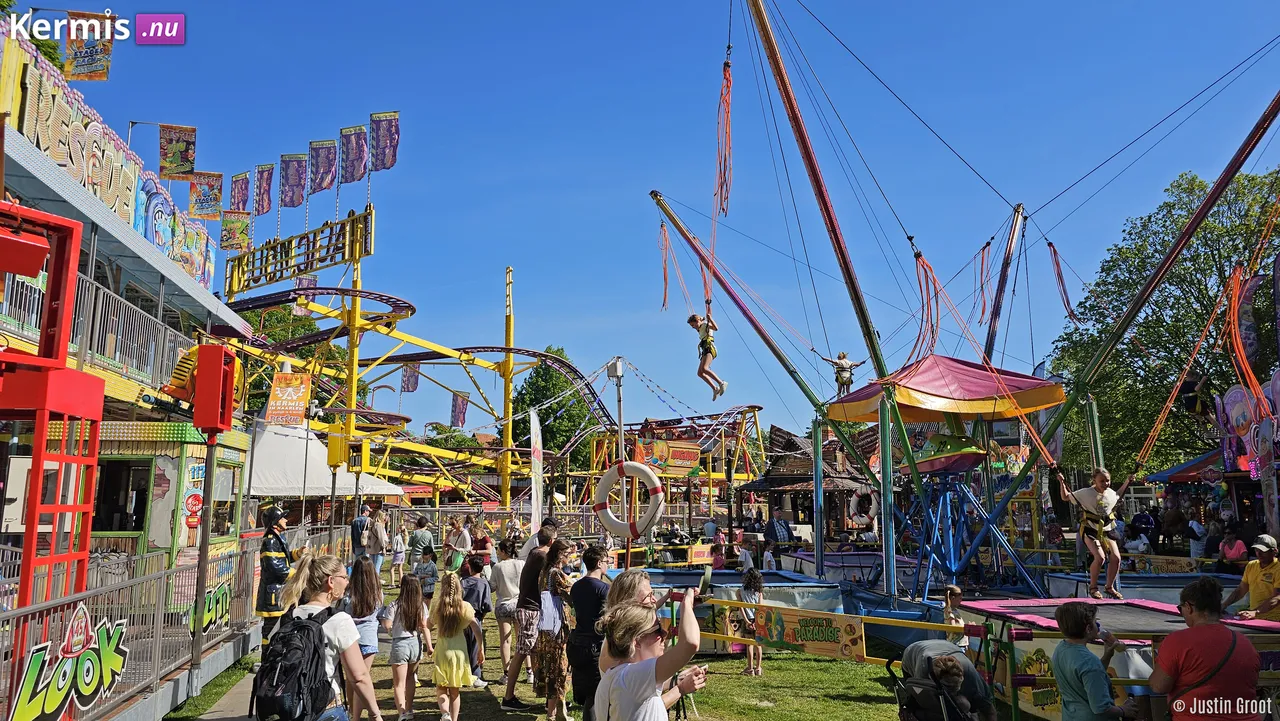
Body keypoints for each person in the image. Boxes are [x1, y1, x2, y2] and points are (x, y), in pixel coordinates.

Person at [278, 552, 384, 721]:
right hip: (325, 709)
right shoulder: (338, 620)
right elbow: (359, 677)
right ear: (331, 581)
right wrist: (374, 714)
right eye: (344, 576)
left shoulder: (290, 616)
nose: (348, 581)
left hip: (290, 707)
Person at [1150, 577, 1262, 721]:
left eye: (1180, 608)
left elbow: (1159, 686)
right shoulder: (1245, 643)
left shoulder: (1177, 641)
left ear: (1188, 607)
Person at [594, 591, 706, 721]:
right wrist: (686, 602)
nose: (664, 633)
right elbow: (690, 644)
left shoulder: (613, 677)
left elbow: (650, 710)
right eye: (658, 630)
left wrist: (680, 687)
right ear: (636, 641)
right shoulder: (633, 677)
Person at [501, 525, 556, 711]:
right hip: (529, 610)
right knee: (521, 652)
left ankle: (550, 698)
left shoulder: (535, 552)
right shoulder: (542, 556)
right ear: (551, 541)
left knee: (534, 652)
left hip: (529, 607)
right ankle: (508, 697)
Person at [1051, 602, 1136, 720]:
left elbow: (1085, 678)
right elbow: (1102, 709)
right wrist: (1124, 710)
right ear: (1088, 628)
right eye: (1096, 621)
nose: (1098, 625)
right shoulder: (1089, 661)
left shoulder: (1061, 649)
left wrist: (1107, 657)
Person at [1059, 467, 1134, 599]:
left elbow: (1119, 494)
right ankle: (1093, 588)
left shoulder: (1110, 493)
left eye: (1108, 481)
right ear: (1094, 480)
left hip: (1106, 528)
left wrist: (1127, 481)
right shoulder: (1085, 493)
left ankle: (1109, 587)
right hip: (1090, 528)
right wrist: (1061, 482)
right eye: (1102, 481)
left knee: (1116, 558)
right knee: (1100, 558)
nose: (1106, 484)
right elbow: (1065, 497)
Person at [430, 573, 484, 721]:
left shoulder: (437, 605)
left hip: (442, 651)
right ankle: (453, 719)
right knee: (455, 691)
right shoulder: (465, 607)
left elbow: (428, 625)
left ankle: (445, 714)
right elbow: (476, 628)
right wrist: (481, 647)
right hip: (460, 652)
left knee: (441, 688)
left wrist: (427, 640)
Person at [901, 639, 996, 721]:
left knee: (960, 705)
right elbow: (918, 696)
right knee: (921, 706)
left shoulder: (972, 677)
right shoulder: (924, 670)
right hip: (913, 652)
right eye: (949, 687)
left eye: (955, 687)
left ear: (962, 677)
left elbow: (989, 711)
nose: (953, 691)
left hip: (948, 648)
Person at [381, 575, 432, 721]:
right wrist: (429, 646)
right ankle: (409, 709)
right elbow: (424, 626)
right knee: (411, 678)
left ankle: (401, 712)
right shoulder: (421, 605)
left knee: (398, 683)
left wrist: (386, 625)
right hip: (415, 643)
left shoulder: (394, 604)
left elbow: (387, 625)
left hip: (400, 643)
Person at [534, 538, 575, 721]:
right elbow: (572, 590)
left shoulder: (545, 571)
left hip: (547, 626)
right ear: (560, 554)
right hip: (557, 627)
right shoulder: (555, 573)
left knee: (552, 666)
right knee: (558, 667)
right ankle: (552, 713)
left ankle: (558, 709)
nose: (570, 557)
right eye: (567, 554)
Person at [568, 545, 610, 721]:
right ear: (600, 563)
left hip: (577, 643)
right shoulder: (603, 589)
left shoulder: (576, 586)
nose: (608, 565)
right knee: (597, 695)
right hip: (596, 645)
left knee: (587, 697)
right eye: (607, 561)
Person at [341, 556, 383, 721]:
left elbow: (342, 612)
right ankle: (356, 717)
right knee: (362, 678)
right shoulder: (377, 592)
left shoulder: (348, 592)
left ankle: (351, 714)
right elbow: (378, 611)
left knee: (351, 679)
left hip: (349, 638)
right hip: (368, 639)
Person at [256, 506, 303, 643]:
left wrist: (298, 554)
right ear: (275, 521)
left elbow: (285, 558)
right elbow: (274, 566)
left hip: (279, 592)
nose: (286, 520)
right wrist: (295, 573)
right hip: (273, 594)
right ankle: (267, 658)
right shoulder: (270, 541)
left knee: (279, 628)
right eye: (282, 518)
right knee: (271, 630)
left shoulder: (277, 539)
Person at [492, 538, 529, 687]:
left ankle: (506, 673)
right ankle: (529, 671)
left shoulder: (497, 567)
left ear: (502, 551)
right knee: (523, 638)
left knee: (506, 640)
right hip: (519, 603)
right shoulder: (521, 564)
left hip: (503, 604)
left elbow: (493, 587)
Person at [1223, 533, 1280, 620]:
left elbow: (1277, 597)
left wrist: (1255, 612)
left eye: (1263, 550)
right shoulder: (1251, 565)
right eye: (1257, 550)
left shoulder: (1278, 569)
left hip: (1275, 621)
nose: (1259, 553)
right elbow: (1241, 590)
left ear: (1275, 551)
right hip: (1254, 619)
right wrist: (1223, 606)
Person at [459, 555, 493, 688]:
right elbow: (487, 604)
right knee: (475, 647)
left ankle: (463, 674)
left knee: (463, 647)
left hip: (462, 618)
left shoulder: (463, 582)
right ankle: (475, 675)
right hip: (476, 617)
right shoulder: (484, 584)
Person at [687, 308, 727, 401]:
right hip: (705, 349)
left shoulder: (705, 325)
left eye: (693, 325)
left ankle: (721, 383)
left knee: (705, 369)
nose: (693, 327)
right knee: (700, 373)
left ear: (698, 321)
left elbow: (716, 328)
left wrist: (710, 319)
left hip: (710, 348)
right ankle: (715, 388)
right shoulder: (700, 328)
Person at [738, 568, 764, 676]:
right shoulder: (759, 592)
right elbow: (760, 608)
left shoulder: (740, 591)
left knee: (749, 644)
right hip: (757, 620)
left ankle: (750, 668)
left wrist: (747, 621)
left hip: (747, 619)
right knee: (758, 644)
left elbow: (741, 607)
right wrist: (756, 621)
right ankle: (758, 668)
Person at [941, 585, 968, 650]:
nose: (961, 601)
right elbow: (953, 628)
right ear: (953, 598)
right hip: (956, 645)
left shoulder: (954, 610)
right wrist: (966, 629)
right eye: (960, 599)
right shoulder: (950, 611)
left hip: (959, 643)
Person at [367, 509, 390, 575]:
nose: (385, 518)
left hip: (372, 548)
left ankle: (372, 581)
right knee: (377, 568)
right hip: (378, 549)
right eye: (384, 516)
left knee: (372, 567)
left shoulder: (372, 524)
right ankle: (375, 582)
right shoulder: (379, 525)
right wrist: (383, 548)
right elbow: (381, 538)